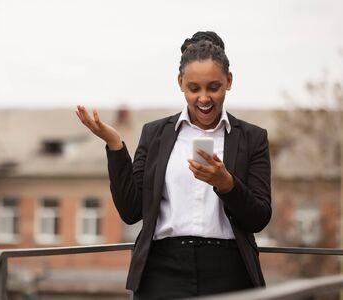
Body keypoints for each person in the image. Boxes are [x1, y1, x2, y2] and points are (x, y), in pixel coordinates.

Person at [75, 31, 271, 299]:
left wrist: (227, 184)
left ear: (229, 81)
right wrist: (115, 144)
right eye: (194, 88)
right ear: (181, 83)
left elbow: (260, 217)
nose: (204, 98)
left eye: (213, 87)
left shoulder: (253, 138)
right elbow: (132, 210)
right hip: (162, 271)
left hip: (229, 271)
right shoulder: (154, 134)